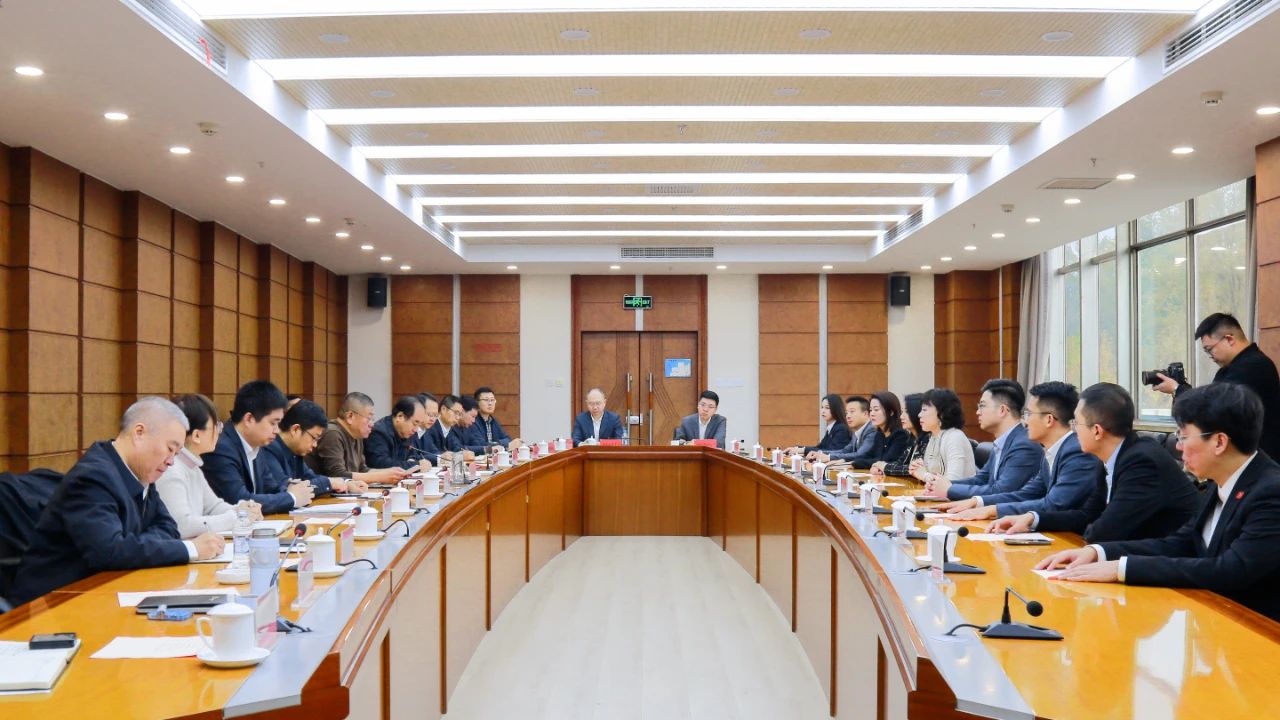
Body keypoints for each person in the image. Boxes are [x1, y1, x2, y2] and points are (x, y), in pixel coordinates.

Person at [1035, 383, 1280, 622]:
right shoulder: (1222, 481)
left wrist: (1122, 569)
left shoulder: (1270, 492)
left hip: (1259, 629)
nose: (1179, 447)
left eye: (1183, 436)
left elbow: (1231, 570)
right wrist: (1098, 552)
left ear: (1219, 442)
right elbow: (1182, 542)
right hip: (1213, 615)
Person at [10, 398, 225, 605]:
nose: (171, 461)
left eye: (177, 453)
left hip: (105, 592)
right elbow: (109, 552)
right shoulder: (93, 477)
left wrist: (132, 544)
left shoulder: (141, 472)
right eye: (170, 449)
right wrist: (190, 549)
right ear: (139, 433)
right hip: (52, 604)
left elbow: (168, 527)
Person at [989, 383, 1201, 543]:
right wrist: (1033, 519)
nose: (1074, 430)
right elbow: (1087, 515)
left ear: (1097, 431)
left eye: (1077, 423)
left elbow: (1105, 531)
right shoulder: (1111, 458)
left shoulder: (1141, 462)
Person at [936, 382, 1100, 521]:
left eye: (1029, 414)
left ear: (1049, 419)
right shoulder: (1052, 451)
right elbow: (1027, 494)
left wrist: (992, 510)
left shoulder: (1076, 452)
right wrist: (977, 502)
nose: (1025, 421)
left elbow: (1053, 504)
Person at [1153, 312, 1280, 461]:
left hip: (1257, 459)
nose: (1210, 356)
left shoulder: (1252, 366)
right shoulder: (1234, 367)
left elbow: (1216, 409)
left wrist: (1177, 389)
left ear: (1229, 339)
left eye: (1209, 349)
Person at [156, 394, 262, 539]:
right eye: (216, 426)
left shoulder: (192, 466)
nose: (219, 431)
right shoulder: (171, 469)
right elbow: (182, 526)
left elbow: (213, 507)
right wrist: (235, 517)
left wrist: (242, 510)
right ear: (196, 436)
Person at [204, 380, 314, 515]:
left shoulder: (257, 445)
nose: (277, 430)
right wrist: (292, 498)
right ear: (249, 419)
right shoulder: (221, 449)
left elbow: (271, 489)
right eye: (273, 423)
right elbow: (239, 501)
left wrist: (293, 490)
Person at [923, 379, 1043, 500]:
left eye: (982, 406)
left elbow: (1001, 491)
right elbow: (981, 479)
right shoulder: (1003, 441)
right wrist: (942, 484)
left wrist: (949, 489)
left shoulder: (1024, 445)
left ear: (1002, 410)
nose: (977, 412)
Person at [263, 400, 370, 496]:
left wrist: (346, 483)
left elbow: (310, 477)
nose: (315, 445)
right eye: (314, 438)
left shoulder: (295, 451)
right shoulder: (269, 449)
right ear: (295, 429)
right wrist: (330, 483)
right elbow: (284, 488)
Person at [310, 392, 412, 483]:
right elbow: (337, 475)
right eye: (369, 418)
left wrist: (390, 472)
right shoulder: (332, 433)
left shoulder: (357, 435)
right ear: (350, 416)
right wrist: (380, 477)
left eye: (372, 419)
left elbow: (362, 470)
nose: (372, 424)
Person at [812, 392, 909, 470]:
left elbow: (883, 461)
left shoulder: (900, 435)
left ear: (891, 412)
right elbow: (868, 456)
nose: (872, 414)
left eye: (876, 410)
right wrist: (843, 461)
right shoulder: (880, 435)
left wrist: (851, 463)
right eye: (871, 410)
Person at [910, 388, 975, 484]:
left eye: (924, 410)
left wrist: (924, 475)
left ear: (942, 413)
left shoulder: (954, 437)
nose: (919, 415)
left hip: (959, 493)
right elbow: (931, 473)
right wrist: (919, 468)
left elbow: (953, 481)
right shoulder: (934, 436)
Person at [366, 395, 431, 470]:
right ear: (400, 416)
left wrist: (414, 460)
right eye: (415, 423)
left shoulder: (407, 432)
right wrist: (416, 465)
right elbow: (381, 464)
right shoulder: (379, 432)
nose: (416, 429)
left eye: (419, 424)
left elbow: (412, 455)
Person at [872, 393, 928, 477]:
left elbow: (913, 470)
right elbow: (900, 463)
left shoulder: (927, 439)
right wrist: (879, 467)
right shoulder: (912, 438)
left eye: (907, 412)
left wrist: (884, 466)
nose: (901, 416)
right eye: (902, 412)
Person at [469, 386, 521, 452]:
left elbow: (507, 439)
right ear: (477, 402)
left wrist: (496, 444)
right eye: (486, 400)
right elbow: (480, 444)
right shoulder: (472, 421)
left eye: (492, 400)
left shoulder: (493, 421)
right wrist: (501, 444)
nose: (490, 403)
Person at [427, 394, 476, 461]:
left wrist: (464, 453)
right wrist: (457, 456)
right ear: (443, 409)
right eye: (456, 413)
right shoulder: (431, 427)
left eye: (460, 414)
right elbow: (433, 452)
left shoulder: (450, 429)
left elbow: (456, 448)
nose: (458, 418)